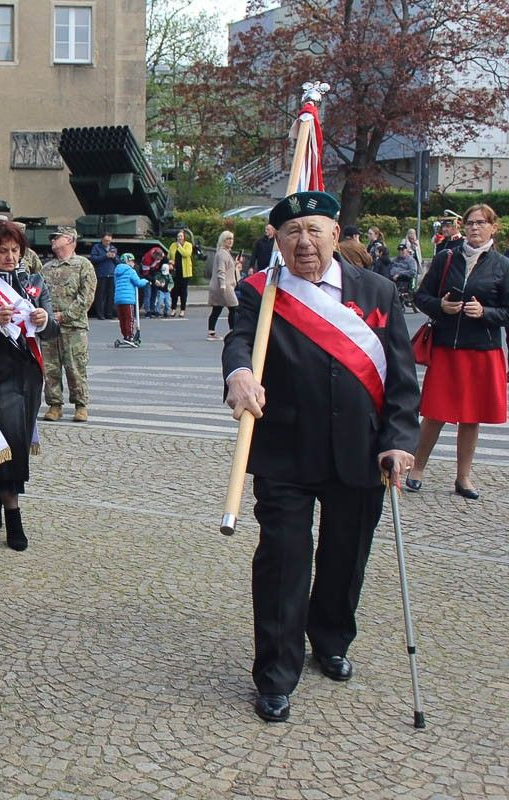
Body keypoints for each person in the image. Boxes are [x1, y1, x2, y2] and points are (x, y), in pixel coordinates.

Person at [223, 190, 419, 724]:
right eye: (292, 232)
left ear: (336, 233)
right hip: (285, 450)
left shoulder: (376, 290)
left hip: (360, 451)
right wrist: (238, 373)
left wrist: (399, 440)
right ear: (277, 240)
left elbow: (402, 378)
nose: (304, 242)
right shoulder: (260, 293)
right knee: (284, 561)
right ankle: (275, 674)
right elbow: (239, 342)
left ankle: (330, 638)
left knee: (345, 556)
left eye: (314, 230)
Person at [405, 203, 509, 499]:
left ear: (493, 227)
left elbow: (507, 312)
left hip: (482, 350)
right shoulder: (446, 258)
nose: (474, 228)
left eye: (481, 223)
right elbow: (421, 296)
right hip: (447, 346)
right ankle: (417, 468)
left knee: (471, 417)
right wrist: (441, 306)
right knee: (435, 412)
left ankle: (463, 478)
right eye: (470, 223)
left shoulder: (502, 265)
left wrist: (485, 312)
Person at [0, 219, 59, 550]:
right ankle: (13, 515)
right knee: (8, 439)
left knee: (17, 440)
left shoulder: (33, 281)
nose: (9, 256)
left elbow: (51, 330)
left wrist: (44, 320)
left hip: (29, 374)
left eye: (15, 250)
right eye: (2, 250)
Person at [40, 227, 97, 422]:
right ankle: (54, 405)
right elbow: (38, 294)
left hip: (73, 327)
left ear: (70, 240)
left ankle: (81, 405)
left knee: (75, 367)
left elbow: (86, 297)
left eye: (57, 237)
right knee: (50, 368)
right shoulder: (46, 268)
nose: (53, 240)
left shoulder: (83, 265)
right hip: (50, 327)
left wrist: (64, 316)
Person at [207, 230, 240, 340]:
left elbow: (226, 267)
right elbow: (221, 270)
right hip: (225, 286)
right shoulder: (222, 253)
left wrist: (234, 263)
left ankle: (212, 332)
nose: (230, 241)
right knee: (233, 307)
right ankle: (232, 331)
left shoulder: (225, 253)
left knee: (217, 309)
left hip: (225, 285)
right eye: (228, 239)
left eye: (231, 239)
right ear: (223, 240)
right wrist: (222, 285)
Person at [113, 253, 148, 346]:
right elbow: (138, 283)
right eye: (132, 261)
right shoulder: (131, 271)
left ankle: (125, 336)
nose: (133, 263)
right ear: (127, 261)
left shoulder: (116, 271)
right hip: (128, 299)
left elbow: (115, 283)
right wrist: (145, 281)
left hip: (118, 298)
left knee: (122, 319)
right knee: (130, 318)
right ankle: (130, 337)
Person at [167, 229, 195, 318]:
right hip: (175, 272)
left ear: (184, 237)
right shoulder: (172, 245)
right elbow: (169, 255)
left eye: (181, 236)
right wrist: (170, 262)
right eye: (178, 236)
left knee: (183, 292)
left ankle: (182, 310)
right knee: (174, 291)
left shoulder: (188, 245)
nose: (179, 238)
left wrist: (179, 247)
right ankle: (173, 309)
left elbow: (186, 254)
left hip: (185, 272)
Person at [89, 233, 118, 319]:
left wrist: (114, 257)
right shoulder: (96, 247)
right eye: (106, 241)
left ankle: (109, 313)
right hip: (101, 274)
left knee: (110, 295)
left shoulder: (113, 248)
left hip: (111, 274)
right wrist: (105, 256)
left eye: (109, 241)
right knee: (100, 295)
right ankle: (100, 313)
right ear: (102, 239)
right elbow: (93, 259)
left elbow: (118, 261)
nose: (107, 242)